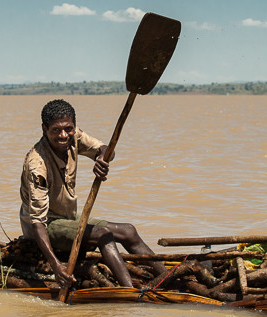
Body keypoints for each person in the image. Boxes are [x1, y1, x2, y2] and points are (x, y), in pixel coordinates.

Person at [20, 99, 165, 288]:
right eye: (56, 130)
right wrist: (56, 266)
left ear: (73, 126)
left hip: (67, 216)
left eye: (68, 128)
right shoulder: (37, 165)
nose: (63, 135)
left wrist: (101, 159)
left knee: (128, 230)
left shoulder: (75, 137)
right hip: (45, 225)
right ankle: (130, 292)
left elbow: (106, 150)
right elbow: (37, 221)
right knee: (102, 234)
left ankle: (167, 276)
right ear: (44, 129)